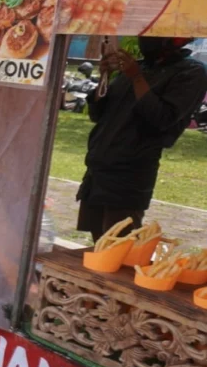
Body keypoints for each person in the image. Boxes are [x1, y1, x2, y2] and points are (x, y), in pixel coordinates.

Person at [77, 37, 207, 241]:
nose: (144, 39)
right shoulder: (138, 67)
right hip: (98, 167)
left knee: (119, 245)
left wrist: (136, 77)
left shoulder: (190, 72)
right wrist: (105, 76)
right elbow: (98, 114)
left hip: (130, 173)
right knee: (97, 244)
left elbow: (161, 119)